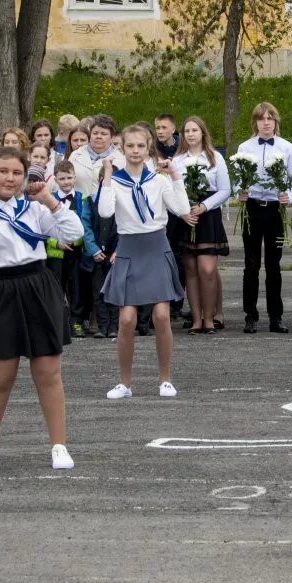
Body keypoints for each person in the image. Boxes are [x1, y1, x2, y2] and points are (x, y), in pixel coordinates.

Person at [0, 146, 83, 473]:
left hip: (38, 287)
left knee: (48, 372)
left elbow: (74, 233)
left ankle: (58, 445)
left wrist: (49, 200)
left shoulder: (33, 209)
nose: (10, 178)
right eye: (3, 171)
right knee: (0, 376)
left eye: (17, 173)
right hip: (0, 291)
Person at [98, 125, 190, 400]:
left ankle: (165, 379)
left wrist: (174, 175)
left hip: (156, 246)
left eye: (140, 146)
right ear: (121, 149)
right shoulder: (116, 181)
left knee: (161, 316)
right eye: (130, 146)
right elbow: (105, 211)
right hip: (129, 248)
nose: (135, 151)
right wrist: (106, 176)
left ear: (148, 148)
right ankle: (125, 383)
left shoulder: (158, 180)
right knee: (126, 319)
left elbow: (182, 209)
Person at [236, 102, 292, 335]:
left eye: (270, 118)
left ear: (276, 122)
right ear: (255, 122)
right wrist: (239, 191)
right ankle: (250, 315)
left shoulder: (286, 147)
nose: (266, 123)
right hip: (252, 208)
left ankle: (276, 316)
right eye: (262, 119)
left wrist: (288, 195)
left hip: (274, 209)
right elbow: (236, 177)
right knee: (251, 264)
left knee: (274, 265)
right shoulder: (245, 147)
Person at [172, 116, 231, 334]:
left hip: (207, 216)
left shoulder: (215, 158)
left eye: (194, 130)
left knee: (207, 269)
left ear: (202, 133)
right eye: (186, 131)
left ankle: (210, 317)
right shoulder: (177, 160)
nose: (190, 134)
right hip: (186, 216)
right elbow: (169, 191)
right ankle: (196, 319)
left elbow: (225, 190)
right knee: (190, 270)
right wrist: (183, 210)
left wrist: (205, 206)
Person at [47, 161, 99, 337]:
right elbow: (42, 227)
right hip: (56, 252)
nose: (66, 182)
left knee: (77, 287)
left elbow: (85, 225)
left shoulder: (83, 198)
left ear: (75, 177)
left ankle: (77, 321)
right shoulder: (48, 199)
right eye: (62, 178)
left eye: (69, 177)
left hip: (77, 252)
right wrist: (56, 243)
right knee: (56, 288)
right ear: (55, 179)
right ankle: (57, 323)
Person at [69, 114, 125, 198]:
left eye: (103, 134)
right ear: (90, 135)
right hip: (79, 206)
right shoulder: (76, 155)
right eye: (95, 133)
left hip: (106, 208)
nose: (99, 136)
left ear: (112, 137)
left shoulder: (120, 160)